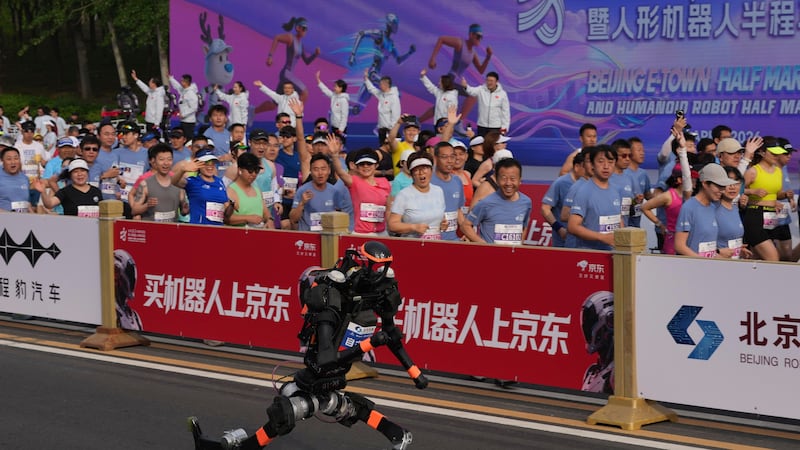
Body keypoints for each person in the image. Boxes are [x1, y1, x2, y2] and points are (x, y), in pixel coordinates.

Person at [348, 13, 415, 115]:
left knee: (357, 110)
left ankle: (333, 112)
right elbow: (362, 34)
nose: (396, 27)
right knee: (394, 92)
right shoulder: (380, 35)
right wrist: (353, 54)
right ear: (390, 24)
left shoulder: (390, 44)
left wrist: (409, 53)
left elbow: (398, 60)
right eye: (394, 24)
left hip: (375, 74)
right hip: (373, 73)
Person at [461, 157, 530, 245]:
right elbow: (465, 226)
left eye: (513, 179)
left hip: (513, 257)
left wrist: (519, 245)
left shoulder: (526, 202)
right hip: (491, 257)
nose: (508, 183)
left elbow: (524, 226)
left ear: (520, 180)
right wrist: (484, 245)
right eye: (504, 178)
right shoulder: (485, 203)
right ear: (497, 180)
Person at [566, 145, 623, 251]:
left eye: (610, 162)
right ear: (592, 165)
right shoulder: (583, 191)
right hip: (591, 255)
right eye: (601, 161)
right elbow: (572, 226)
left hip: (614, 253)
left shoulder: (616, 190)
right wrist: (602, 237)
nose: (606, 166)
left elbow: (618, 219)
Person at [675, 163, 738, 258]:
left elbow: (708, 248)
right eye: (718, 186)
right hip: (692, 268)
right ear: (705, 184)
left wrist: (719, 256)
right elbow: (679, 246)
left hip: (709, 268)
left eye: (723, 186)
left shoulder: (713, 207)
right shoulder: (689, 207)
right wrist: (703, 262)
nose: (722, 190)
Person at [330, 139, 391, 236]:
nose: (365, 166)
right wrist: (334, 155)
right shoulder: (354, 182)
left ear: (376, 165)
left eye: (369, 163)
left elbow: (389, 208)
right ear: (356, 167)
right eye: (362, 164)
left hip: (382, 232)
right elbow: (340, 172)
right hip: (361, 234)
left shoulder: (385, 182)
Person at [742, 139, 786, 261]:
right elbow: (736, 190)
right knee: (773, 258)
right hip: (756, 215)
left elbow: (775, 194)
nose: (776, 157)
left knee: (757, 258)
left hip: (772, 217)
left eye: (778, 154)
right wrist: (752, 191)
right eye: (773, 154)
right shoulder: (753, 171)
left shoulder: (778, 171)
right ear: (762, 153)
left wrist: (785, 196)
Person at [388, 151, 447, 239]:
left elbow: (440, 217)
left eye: (425, 168)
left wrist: (443, 224)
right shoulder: (404, 195)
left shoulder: (438, 191)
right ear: (411, 174)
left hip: (435, 244)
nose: (421, 172)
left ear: (431, 170)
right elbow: (392, 225)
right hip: (413, 246)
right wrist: (413, 227)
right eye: (416, 169)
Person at [641, 164, 698, 255]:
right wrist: (660, 225)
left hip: (689, 242)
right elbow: (644, 207)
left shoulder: (692, 196)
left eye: (694, 180)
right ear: (679, 180)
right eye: (691, 180)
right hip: (673, 243)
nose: (694, 184)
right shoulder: (668, 196)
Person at [290, 153, 353, 231]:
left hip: (328, 237)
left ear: (329, 170)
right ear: (310, 171)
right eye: (316, 169)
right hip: (308, 237)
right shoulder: (302, 190)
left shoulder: (335, 191)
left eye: (323, 169)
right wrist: (302, 203)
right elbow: (293, 219)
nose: (320, 173)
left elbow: (340, 216)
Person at [266, 17, 320, 104]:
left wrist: (315, 55)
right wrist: (270, 56)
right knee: (304, 93)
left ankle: (253, 111)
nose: (305, 31)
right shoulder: (290, 38)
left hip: (288, 75)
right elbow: (277, 38)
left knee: (274, 103)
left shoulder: (301, 45)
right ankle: (297, 116)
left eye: (306, 29)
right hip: (286, 74)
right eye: (303, 28)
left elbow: (307, 61)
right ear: (298, 28)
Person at [171, 148, 232, 225]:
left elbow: (226, 208)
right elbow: (173, 182)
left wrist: (232, 205)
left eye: (212, 163)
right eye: (206, 163)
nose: (210, 166)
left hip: (218, 229)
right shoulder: (193, 181)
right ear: (197, 164)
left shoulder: (219, 182)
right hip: (199, 229)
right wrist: (182, 170)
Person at [129, 143, 187, 222]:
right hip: (151, 230)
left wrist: (186, 209)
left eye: (169, 159)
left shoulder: (177, 184)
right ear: (154, 162)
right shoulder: (145, 184)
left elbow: (184, 212)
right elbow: (134, 210)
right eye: (161, 159)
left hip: (171, 230)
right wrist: (147, 205)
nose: (166, 163)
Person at [542, 151, 586, 247]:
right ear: (577, 167)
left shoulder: (589, 184)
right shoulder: (561, 182)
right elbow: (545, 208)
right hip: (563, 242)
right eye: (585, 167)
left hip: (582, 241)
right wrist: (559, 229)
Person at [34, 159, 103, 217]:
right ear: (70, 175)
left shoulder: (96, 191)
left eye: (82, 170)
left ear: (87, 173)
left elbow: (103, 212)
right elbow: (49, 204)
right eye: (75, 171)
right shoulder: (65, 192)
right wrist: (43, 192)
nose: (80, 174)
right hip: (71, 229)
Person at [225, 152, 274, 228]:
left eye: (256, 170)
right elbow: (227, 218)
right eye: (250, 170)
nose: (254, 174)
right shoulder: (231, 191)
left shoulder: (257, 190)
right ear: (240, 170)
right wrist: (247, 218)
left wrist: (269, 219)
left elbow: (265, 212)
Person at [430, 141, 465, 241]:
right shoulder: (428, 181)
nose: (449, 161)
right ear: (436, 158)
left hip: (454, 240)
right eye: (444, 157)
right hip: (433, 240)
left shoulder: (457, 181)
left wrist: (467, 231)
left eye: (452, 157)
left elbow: (458, 210)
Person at [461, 71, 509, 136]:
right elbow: (471, 91)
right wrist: (465, 86)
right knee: (482, 145)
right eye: (487, 80)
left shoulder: (502, 94)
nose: (489, 83)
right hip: (482, 126)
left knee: (493, 145)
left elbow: (505, 112)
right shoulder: (481, 89)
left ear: (496, 81)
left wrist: (504, 128)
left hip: (495, 127)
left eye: (491, 81)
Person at [716, 166, 749, 259]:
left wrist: (739, 249)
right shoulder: (713, 209)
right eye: (728, 182)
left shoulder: (736, 208)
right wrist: (717, 252)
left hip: (734, 264)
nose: (732, 187)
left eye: (736, 182)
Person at [363, 70, 401, 144]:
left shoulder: (394, 98)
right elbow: (372, 89)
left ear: (386, 84)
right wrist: (366, 79)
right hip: (382, 129)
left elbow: (396, 115)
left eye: (381, 84)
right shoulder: (381, 95)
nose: (379, 86)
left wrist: (391, 131)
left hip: (390, 130)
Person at [0, 146, 33, 213]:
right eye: (9, 159)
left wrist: (33, 216)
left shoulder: (25, 178)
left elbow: (27, 203)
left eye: (16, 158)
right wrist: (9, 215)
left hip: (23, 219)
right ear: (2, 160)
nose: (13, 162)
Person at [168, 73, 200, 139]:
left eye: (182, 81)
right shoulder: (184, 91)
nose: (180, 82)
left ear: (186, 82)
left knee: (188, 138)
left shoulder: (191, 93)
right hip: (183, 120)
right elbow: (177, 86)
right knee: (184, 137)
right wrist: (171, 79)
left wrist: (184, 114)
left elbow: (194, 108)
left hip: (189, 121)